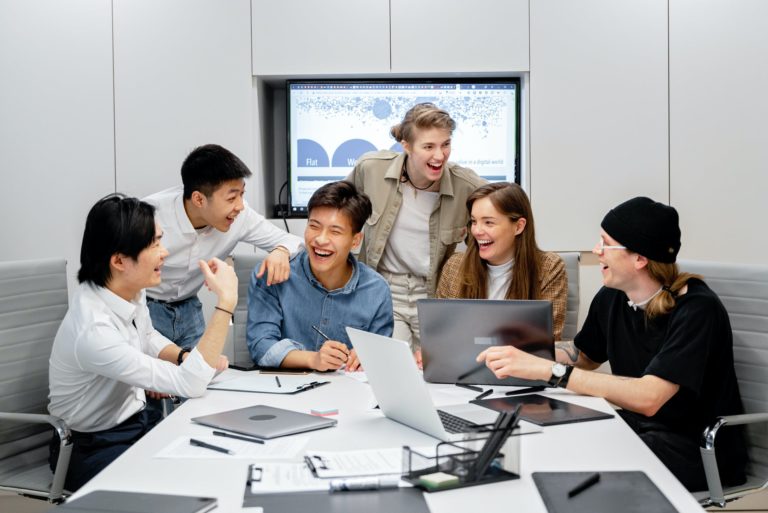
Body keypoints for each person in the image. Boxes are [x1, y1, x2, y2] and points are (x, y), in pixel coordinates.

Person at [476, 196, 747, 491]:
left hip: (697, 450)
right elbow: (584, 356)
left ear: (640, 258)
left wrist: (550, 371)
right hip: (641, 431)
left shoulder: (697, 309)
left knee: (575, 471)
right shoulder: (613, 297)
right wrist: (516, 351)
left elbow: (649, 399)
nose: (597, 251)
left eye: (605, 243)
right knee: (546, 444)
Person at [48, 194, 238, 491]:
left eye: (161, 240)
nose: (164, 253)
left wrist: (182, 356)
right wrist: (226, 302)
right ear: (119, 260)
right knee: (179, 484)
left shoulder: (125, 288)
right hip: (89, 448)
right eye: (154, 244)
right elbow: (190, 385)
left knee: (213, 455)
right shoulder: (95, 331)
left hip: (137, 424)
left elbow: (147, 335)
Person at [346, 103, 486, 352]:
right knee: (390, 367)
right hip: (386, 290)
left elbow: (508, 211)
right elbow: (338, 212)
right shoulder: (370, 168)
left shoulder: (467, 185)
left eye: (446, 144)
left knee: (439, 371)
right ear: (406, 145)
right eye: (429, 146)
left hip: (435, 296)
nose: (440, 155)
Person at [143, 143, 303, 349]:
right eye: (231, 197)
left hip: (189, 308)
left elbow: (295, 242)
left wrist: (281, 251)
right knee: (151, 378)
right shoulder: (150, 215)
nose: (240, 206)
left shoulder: (241, 216)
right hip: (146, 307)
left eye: (242, 194)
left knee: (202, 376)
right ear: (199, 199)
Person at [247, 181, 393, 371]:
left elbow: (382, 355)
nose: (321, 239)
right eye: (314, 226)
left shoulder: (376, 290)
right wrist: (313, 359)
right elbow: (260, 346)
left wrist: (369, 357)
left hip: (347, 394)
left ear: (356, 240)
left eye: (335, 231)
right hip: (283, 391)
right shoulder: (274, 273)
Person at [436, 182, 567, 340]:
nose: (477, 231)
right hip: (461, 363)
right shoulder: (455, 266)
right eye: (474, 221)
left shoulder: (549, 267)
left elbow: (547, 341)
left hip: (519, 364)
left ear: (518, 226)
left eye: (488, 222)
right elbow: (440, 332)